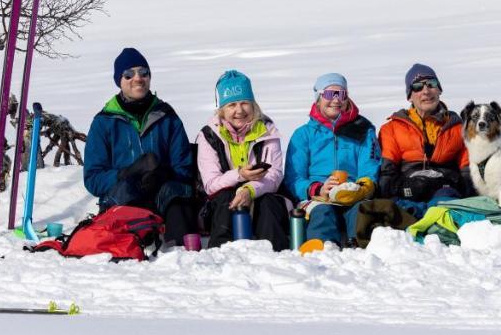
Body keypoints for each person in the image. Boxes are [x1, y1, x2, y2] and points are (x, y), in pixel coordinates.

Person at [83, 47, 196, 247]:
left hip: (163, 197)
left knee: (176, 195)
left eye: (144, 73)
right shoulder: (104, 122)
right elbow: (93, 179)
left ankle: (181, 256)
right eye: (129, 74)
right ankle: (131, 249)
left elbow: (184, 167)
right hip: (124, 199)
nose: (138, 78)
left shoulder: (167, 116)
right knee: (126, 192)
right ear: (119, 80)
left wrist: (162, 174)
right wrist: (125, 174)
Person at [283, 72, 380, 248]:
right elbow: (293, 177)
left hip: (353, 194)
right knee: (322, 212)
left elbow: (370, 167)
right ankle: (323, 250)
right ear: (318, 98)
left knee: (361, 211)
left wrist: (361, 188)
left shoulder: (363, 130)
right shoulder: (303, 135)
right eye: (330, 94)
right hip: (318, 198)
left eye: (341, 94)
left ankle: (360, 250)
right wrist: (317, 189)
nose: (336, 100)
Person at [195, 70, 288, 251]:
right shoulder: (209, 135)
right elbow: (211, 184)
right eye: (232, 105)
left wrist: (249, 189)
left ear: (253, 105)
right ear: (221, 109)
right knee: (225, 198)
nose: (239, 110)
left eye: (245, 103)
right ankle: (220, 255)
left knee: (268, 201)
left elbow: (275, 176)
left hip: (262, 193)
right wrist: (239, 175)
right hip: (221, 203)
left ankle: (277, 256)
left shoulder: (266, 130)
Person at [377, 63, 470, 210]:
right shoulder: (391, 129)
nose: (426, 91)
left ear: (439, 90)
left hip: (446, 192)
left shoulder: (459, 128)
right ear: (409, 96)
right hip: (409, 191)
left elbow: (468, 171)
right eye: (418, 87)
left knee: (444, 204)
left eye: (431, 84)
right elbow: (387, 172)